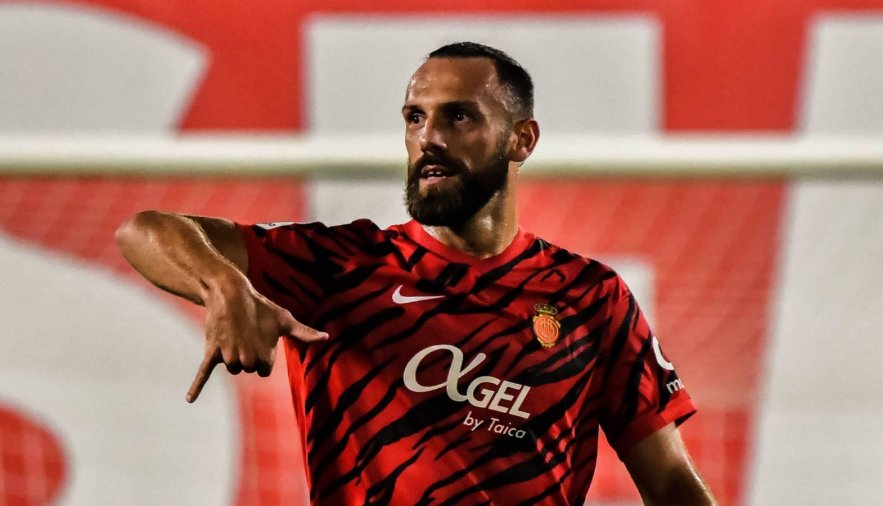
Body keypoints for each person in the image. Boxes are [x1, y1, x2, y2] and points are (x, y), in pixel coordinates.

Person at [117, 42, 716, 505]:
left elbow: (669, 481)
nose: (429, 138)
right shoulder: (341, 265)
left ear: (522, 140)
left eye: (459, 117)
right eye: (414, 117)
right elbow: (145, 231)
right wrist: (223, 284)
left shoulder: (591, 295)